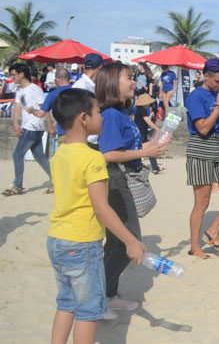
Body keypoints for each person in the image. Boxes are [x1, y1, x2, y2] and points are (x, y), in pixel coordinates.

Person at [47, 88, 147, 341]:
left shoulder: (59, 153)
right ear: (83, 118)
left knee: (66, 302)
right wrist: (131, 241)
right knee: (88, 311)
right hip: (82, 243)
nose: (102, 117)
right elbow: (102, 207)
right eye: (98, 112)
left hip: (57, 238)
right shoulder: (93, 159)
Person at [96, 62, 167, 317]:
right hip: (117, 181)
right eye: (129, 78)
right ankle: (99, 298)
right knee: (129, 243)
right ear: (113, 83)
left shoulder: (121, 112)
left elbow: (125, 147)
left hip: (121, 179)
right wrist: (145, 152)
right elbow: (109, 154)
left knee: (115, 243)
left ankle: (109, 295)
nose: (134, 83)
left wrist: (150, 145)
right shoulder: (111, 115)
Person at [184, 58, 219, 259]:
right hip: (200, 146)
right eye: (217, 81)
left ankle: (212, 230)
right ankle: (195, 246)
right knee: (202, 203)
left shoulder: (218, 95)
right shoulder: (195, 97)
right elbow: (203, 128)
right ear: (206, 75)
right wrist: (218, 107)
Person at [3, 63, 52, 196]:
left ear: (21, 74)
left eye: (13, 75)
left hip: (34, 127)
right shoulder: (20, 91)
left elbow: (44, 108)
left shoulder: (35, 89)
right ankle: (56, 180)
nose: (11, 77)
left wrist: (50, 126)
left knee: (17, 154)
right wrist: (15, 124)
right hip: (27, 127)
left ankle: (18, 185)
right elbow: (18, 107)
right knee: (40, 157)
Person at [26, 68, 71, 156]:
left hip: (64, 132)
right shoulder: (79, 90)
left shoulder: (53, 94)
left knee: (65, 161)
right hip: (81, 134)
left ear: (57, 79)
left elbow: (40, 114)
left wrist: (31, 110)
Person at [133, 93, 162, 174]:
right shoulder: (142, 110)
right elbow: (148, 121)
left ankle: (155, 167)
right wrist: (157, 128)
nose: (150, 103)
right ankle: (138, 167)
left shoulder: (138, 109)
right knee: (139, 151)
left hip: (141, 133)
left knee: (148, 149)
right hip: (141, 133)